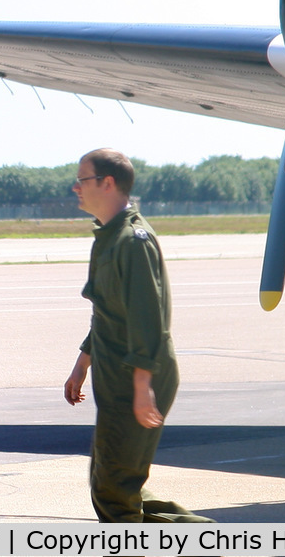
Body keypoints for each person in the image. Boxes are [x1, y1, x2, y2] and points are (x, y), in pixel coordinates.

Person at [64, 149, 207, 522]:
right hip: (116, 378)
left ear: (107, 183)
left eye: (82, 180)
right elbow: (108, 312)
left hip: (136, 378)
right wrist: (82, 364)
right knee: (113, 484)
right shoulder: (109, 237)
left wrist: (143, 387)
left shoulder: (133, 240)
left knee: (114, 492)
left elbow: (149, 318)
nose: (75, 188)